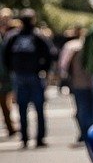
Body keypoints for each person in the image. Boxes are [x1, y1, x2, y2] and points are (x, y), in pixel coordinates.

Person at [2, 9, 55, 148]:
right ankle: (37, 138)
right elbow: (50, 54)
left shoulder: (14, 37)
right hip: (31, 75)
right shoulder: (37, 36)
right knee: (36, 108)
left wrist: (12, 70)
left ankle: (26, 138)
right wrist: (44, 70)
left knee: (24, 108)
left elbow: (5, 56)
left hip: (22, 75)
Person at [59, 26, 93, 143]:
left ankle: (85, 133)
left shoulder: (71, 46)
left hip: (78, 82)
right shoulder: (91, 45)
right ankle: (92, 132)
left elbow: (63, 65)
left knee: (81, 109)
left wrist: (64, 79)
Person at [0, 8, 15, 136]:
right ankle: (9, 125)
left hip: (7, 73)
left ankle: (10, 125)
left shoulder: (12, 33)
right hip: (3, 72)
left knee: (7, 100)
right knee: (4, 100)